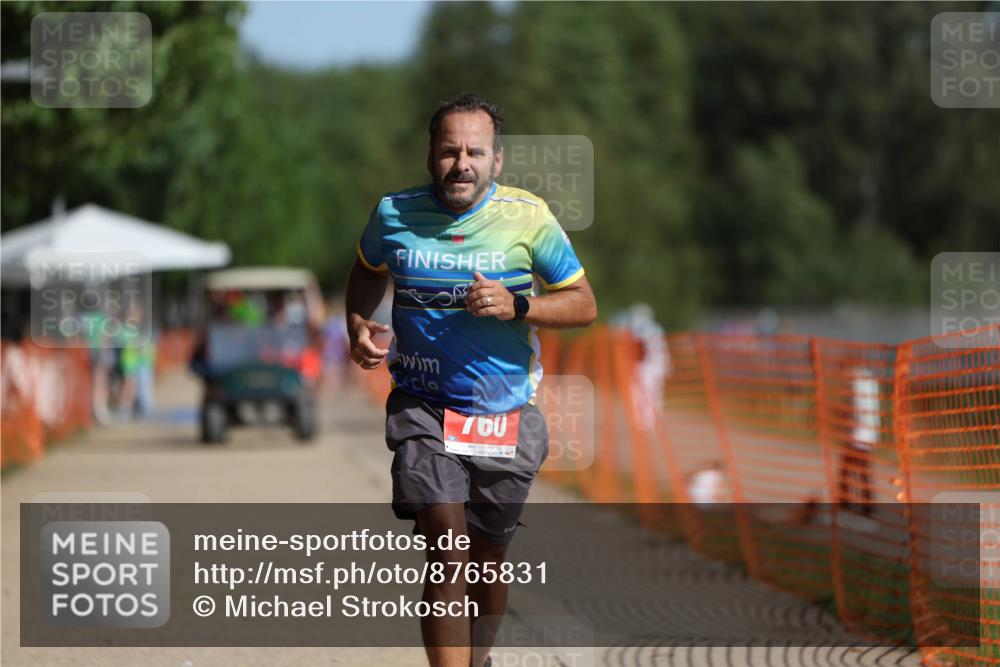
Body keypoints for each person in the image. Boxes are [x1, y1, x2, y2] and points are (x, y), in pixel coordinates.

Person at [346, 93, 597, 667]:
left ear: (497, 161)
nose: (462, 163)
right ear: (431, 155)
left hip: (503, 412)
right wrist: (357, 323)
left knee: (485, 557)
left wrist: (517, 305)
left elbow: (583, 304)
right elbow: (367, 268)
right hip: (422, 405)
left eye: (475, 152)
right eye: (449, 151)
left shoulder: (529, 217)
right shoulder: (394, 213)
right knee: (447, 550)